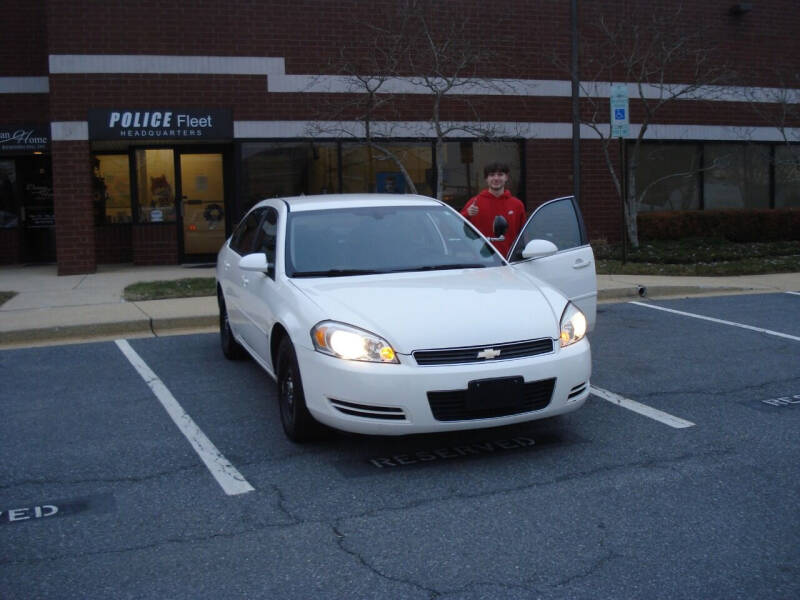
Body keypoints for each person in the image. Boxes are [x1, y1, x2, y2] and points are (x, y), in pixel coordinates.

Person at [460, 162, 525, 257]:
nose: (496, 178)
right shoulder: (474, 203)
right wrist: (467, 214)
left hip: (510, 260)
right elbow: (458, 229)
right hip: (481, 260)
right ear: (486, 179)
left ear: (506, 177)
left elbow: (522, 235)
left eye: (500, 175)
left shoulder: (517, 205)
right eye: (491, 175)